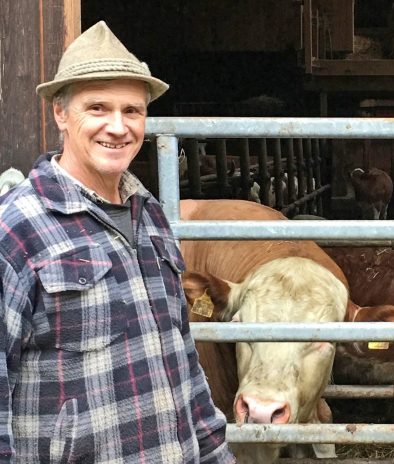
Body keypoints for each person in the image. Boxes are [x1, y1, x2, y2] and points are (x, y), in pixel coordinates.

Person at [0, 21, 235, 462]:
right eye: (98, 108)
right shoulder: (17, 228)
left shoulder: (151, 218)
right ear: (60, 113)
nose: (118, 126)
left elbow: (183, 361)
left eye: (132, 110)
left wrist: (215, 453)